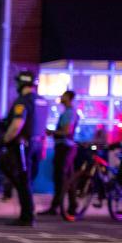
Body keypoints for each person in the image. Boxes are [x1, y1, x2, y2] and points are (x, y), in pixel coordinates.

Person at [0, 70, 42, 227]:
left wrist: (4, 139)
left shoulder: (22, 101)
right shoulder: (41, 101)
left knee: (22, 180)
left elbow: (17, 124)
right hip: (37, 145)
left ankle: (27, 215)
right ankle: (28, 211)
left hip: (23, 146)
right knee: (27, 180)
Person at [43, 89, 79, 219]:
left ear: (68, 97)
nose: (61, 97)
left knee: (61, 177)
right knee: (67, 178)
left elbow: (66, 131)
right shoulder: (68, 112)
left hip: (65, 148)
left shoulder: (69, 113)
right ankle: (71, 206)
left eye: (64, 96)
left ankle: (57, 206)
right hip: (66, 148)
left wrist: (51, 132)